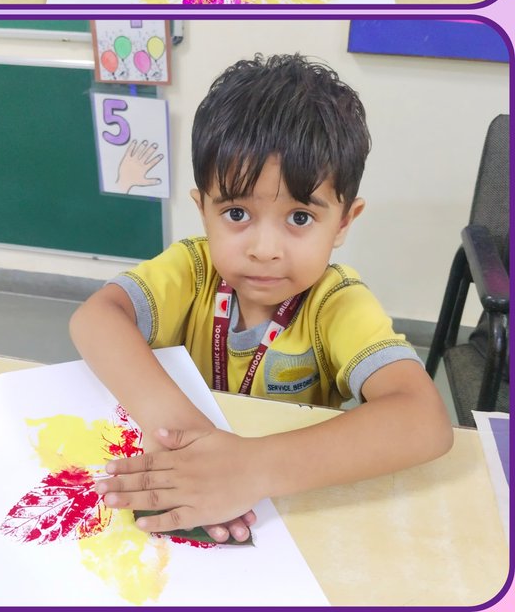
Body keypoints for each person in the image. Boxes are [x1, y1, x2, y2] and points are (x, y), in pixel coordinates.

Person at [70, 54, 452, 543]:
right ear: (202, 209)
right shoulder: (193, 268)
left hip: (289, 511)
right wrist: (184, 437)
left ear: (344, 222)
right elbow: (97, 317)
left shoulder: (336, 304)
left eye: (299, 218)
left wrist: (249, 468)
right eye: (235, 213)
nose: (264, 250)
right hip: (195, 477)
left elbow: (424, 420)